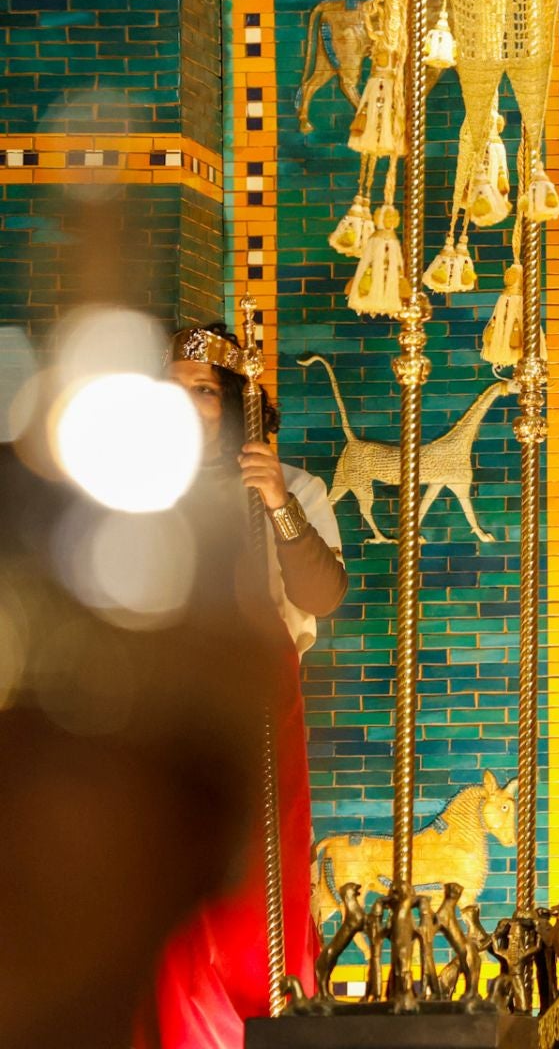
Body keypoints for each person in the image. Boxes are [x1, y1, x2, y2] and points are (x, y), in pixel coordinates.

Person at [144, 323, 349, 1049]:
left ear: (234, 402)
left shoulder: (294, 485)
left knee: (258, 893)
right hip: (159, 708)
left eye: (201, 390)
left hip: (260, 704)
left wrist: (275, 505)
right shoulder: (133, 487)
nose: (184, 404)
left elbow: (321, 597)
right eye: (170, 388)